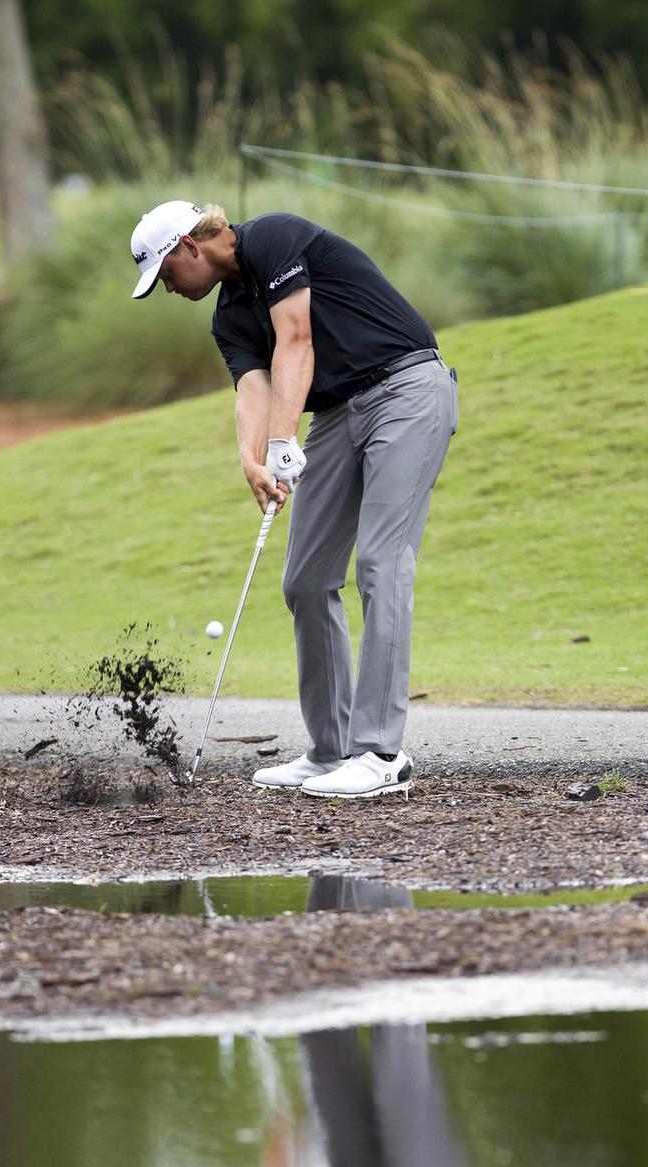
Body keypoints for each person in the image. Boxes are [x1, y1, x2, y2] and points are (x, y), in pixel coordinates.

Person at [130, 200, 457, 800]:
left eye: (168, 275)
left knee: (381, 564)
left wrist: (284, 440)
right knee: (305, 580)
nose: (169, 290)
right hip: (335, 414)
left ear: (190, 247)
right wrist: (253, 458)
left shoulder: (274, 237)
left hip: (407, 389)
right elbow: (252, 388)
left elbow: (296, 338)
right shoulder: (226, 317)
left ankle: (380, 752)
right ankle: (331, 752)